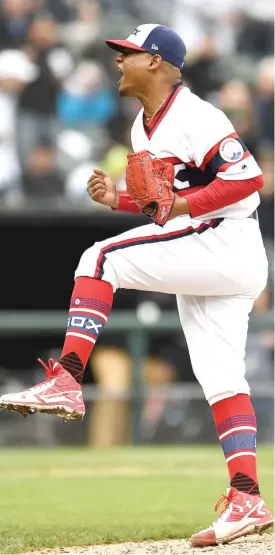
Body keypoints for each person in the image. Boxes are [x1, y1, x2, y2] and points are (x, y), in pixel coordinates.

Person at [0, 23, 273, 546]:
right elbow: (160, 207)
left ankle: (68, 377)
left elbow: (247, 179)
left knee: (100, 257)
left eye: (126, 54)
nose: (117, 63)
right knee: (221, 380)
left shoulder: (196, 114)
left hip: (225, 239)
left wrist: (179, 206)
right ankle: (247, 497)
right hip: (213, 249)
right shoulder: (141, 128)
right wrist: (120, 201)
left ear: (155, 61)